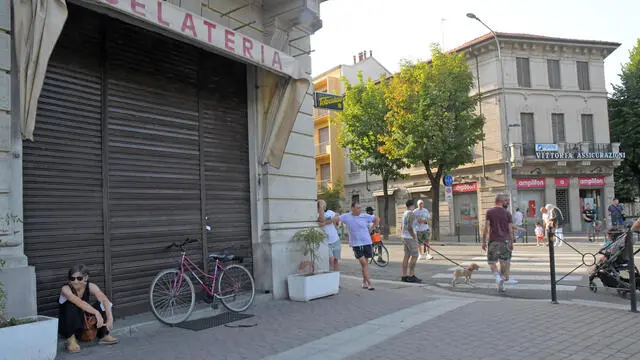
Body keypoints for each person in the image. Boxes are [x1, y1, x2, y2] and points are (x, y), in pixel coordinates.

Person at [58, 264, 118, 353]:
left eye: (79, 278)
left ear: (86, 278)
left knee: (102, 304)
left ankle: (104, 335)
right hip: (68, 325)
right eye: (72, 278)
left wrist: (110, 318)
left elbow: (105, 300)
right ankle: (71, 339)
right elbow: (79, 302)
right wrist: (96, 313)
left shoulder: (91, 286)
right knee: (71, 304)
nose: (75, 281)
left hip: (83, 322)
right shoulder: (65, 289)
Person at [331, 202, 380, 290]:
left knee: (365, 265)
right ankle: (369, 283)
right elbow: (336, 219)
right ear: (352, 208)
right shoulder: (347, 216)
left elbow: (377, 219)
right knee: (364, 263)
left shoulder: (365, 216)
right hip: (356, 244)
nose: (359, 210)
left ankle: (364, 282)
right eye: (357, 208)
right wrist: (327, 220)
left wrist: (371, 229)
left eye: (360, 208)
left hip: (367, 242)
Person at [481, 194, 514, 293]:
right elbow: (510, 230)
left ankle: (497, 277)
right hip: (505, 241)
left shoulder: (489, 212)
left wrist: (483, 241)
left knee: (492, 262)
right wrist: (512, 242)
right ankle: (501, 284)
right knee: (503, 263)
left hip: (493, 241)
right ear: (500, 201)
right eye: (505, 201)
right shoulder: (507, 213)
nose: (506, 202)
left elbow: (486, 228)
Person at [401, 200, 422, 283]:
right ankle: (411, 275)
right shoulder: (411, 214)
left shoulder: (404, 213)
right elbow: (409, 227)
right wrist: (414, 236)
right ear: (412, 205)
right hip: (410, 237)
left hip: (404, 237)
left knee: (406, 255)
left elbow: (403, 226)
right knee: (415, 255)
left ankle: (404, 275)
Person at [317, 200, 340, 272]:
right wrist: (331, 220)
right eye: (322, 205)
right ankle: (330, 276)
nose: (324, 206)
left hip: (335, 239)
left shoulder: (330, 212)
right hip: (327, 241)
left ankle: (336, 278)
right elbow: (321, 221)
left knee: (336, 259)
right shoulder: (317, 214)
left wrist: (332, 220)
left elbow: (336, 219)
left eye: (324, 204)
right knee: (331, 259)